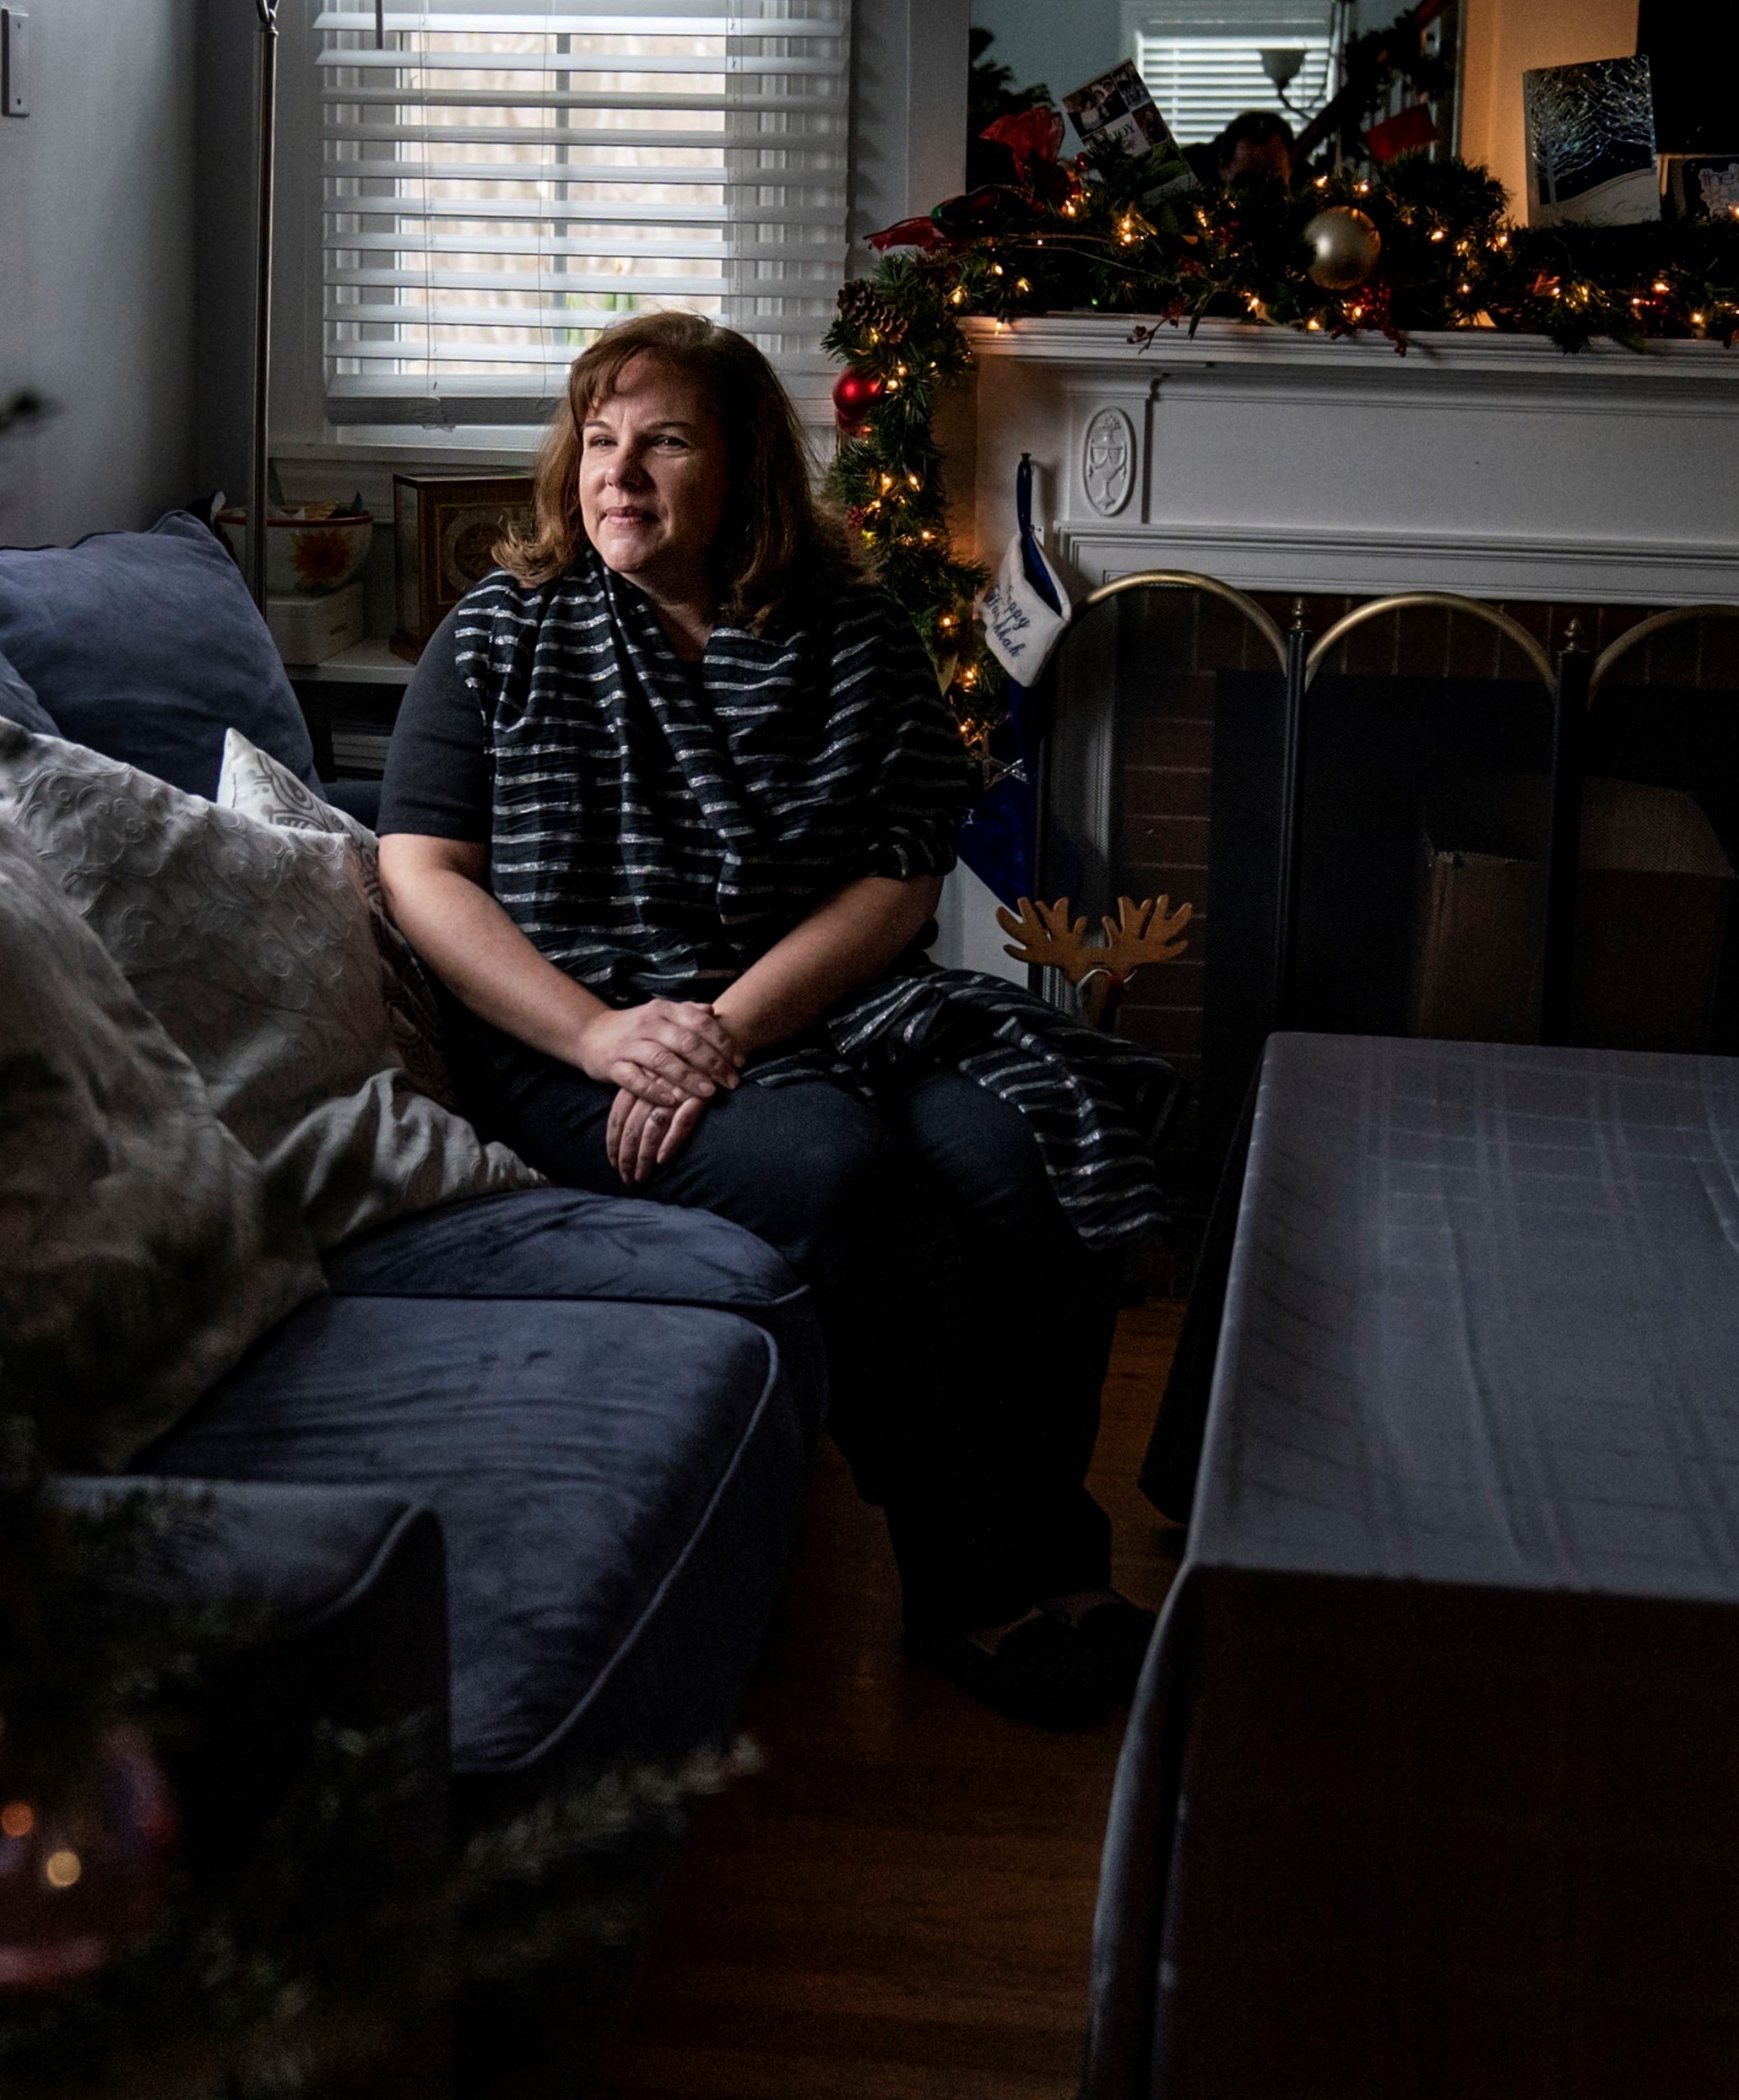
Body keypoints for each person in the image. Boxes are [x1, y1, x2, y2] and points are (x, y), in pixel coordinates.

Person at [377, 311, 1178, 1726]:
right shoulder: (500, 630)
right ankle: (978, 1587)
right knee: (840, 1181)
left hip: (820, 1009)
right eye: (603, 441)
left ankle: (1064, 1555)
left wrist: (735, 1024)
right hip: (581, 1033)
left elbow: (903, 867)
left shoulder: (851, 630)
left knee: (1022, 1161)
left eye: (666, 441)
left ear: (747, 465)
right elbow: (422, 873)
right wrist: (600, 1036)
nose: (620, 474)